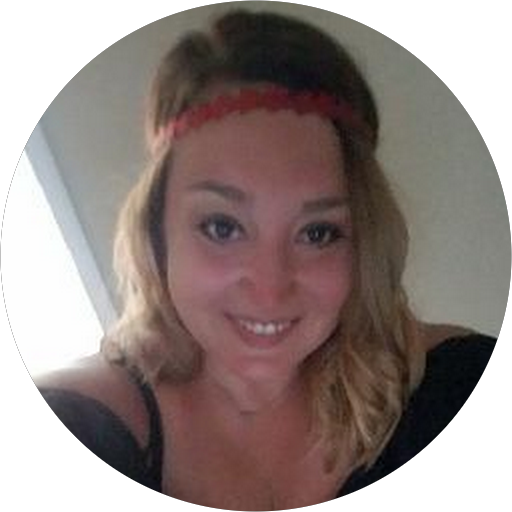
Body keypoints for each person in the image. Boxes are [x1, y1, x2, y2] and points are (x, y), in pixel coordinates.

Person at [36, 9, 495, 510]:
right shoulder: (83, 420)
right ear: (156, 233)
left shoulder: (453, 384)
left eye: (318, 233)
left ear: (364, 242)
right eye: (222, 227)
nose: (270, 288)